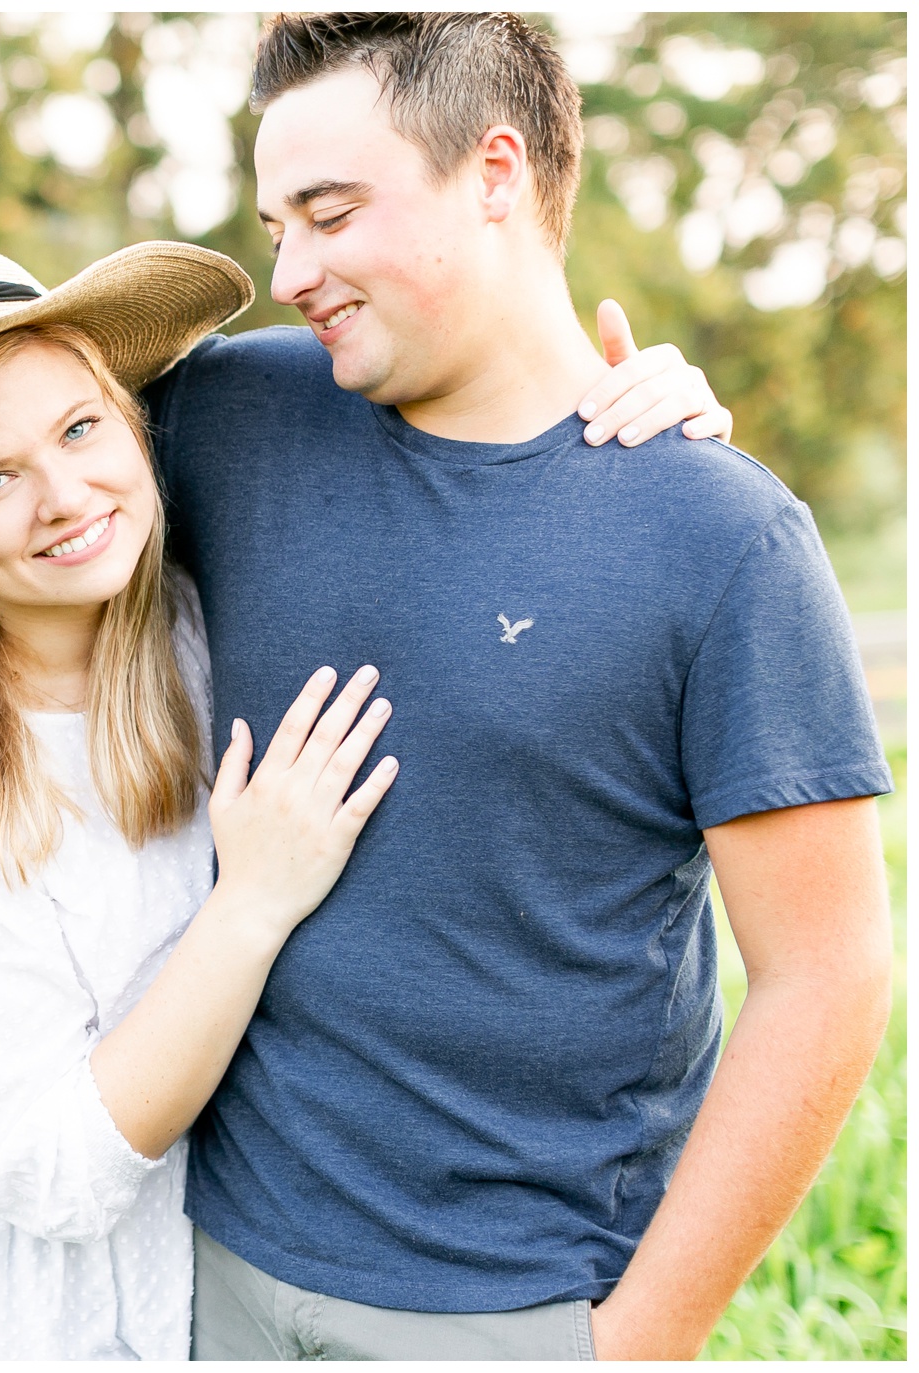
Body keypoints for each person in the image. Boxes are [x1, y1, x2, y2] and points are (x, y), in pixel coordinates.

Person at [0, 238, 733, 1358]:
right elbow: (57, 1174)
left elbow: (441, 475)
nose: (63, 496)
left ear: (135, 424)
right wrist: (252, 900)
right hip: (4, 1307)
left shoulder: (191, 612)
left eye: (80, 427)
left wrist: (613, 433)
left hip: (211, 1271)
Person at [146, 14, 887, 1361]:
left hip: (518, 1313)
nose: (291, 270)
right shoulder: (222, 418)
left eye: (328, 213)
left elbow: (826, 978)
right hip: (205, 1270)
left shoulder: (722, 536)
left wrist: (640, 1338)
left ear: (494, 174)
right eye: (275, 226)